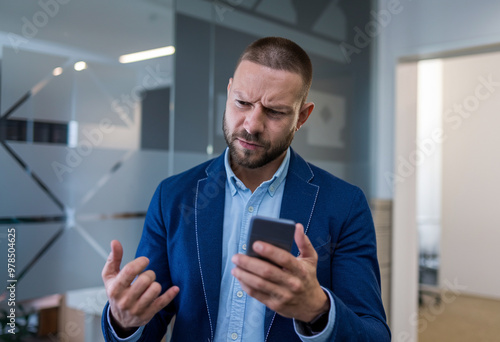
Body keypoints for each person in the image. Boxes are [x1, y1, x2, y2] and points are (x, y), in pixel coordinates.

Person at [101, 37, 391, 342]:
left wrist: (318, 309)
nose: (252, 124)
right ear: (228, 94)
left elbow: (373, 334)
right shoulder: (173, 196)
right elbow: (151, 312)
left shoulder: (344, 205)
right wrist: (124, 321)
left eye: (275, 112)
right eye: (242, 103)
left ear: (301, 117)